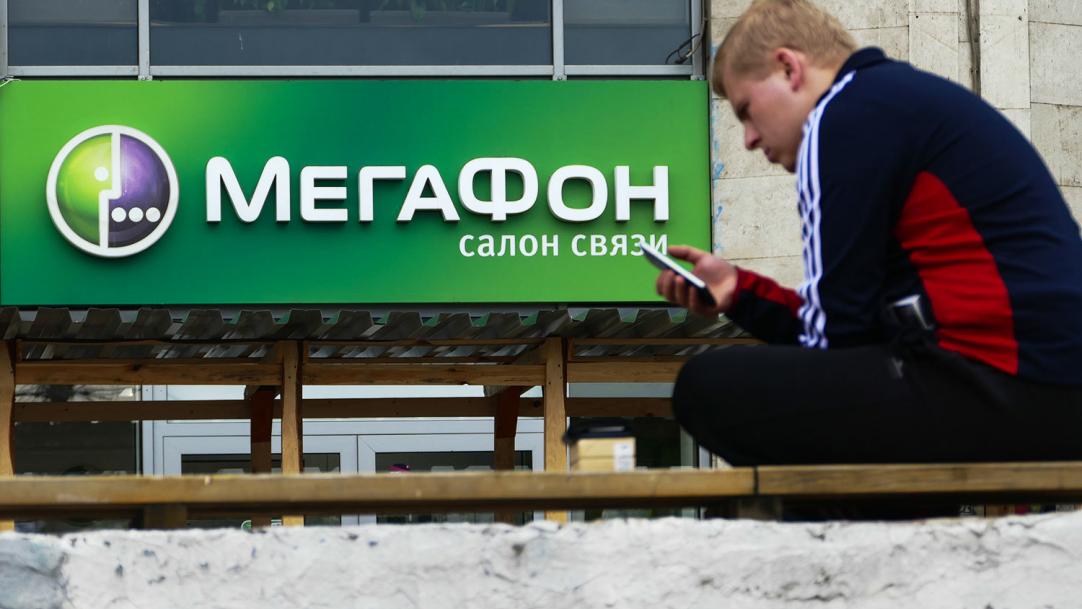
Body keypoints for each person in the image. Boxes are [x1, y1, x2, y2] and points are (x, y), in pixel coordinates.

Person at [659, 0, 1082, 467]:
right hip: (1047, 388)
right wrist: (739, 292)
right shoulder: (897, 101)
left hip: (1000, 382)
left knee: (706, 385)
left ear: (789, 68)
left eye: (746, 111)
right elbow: (854, 326)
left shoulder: (839, 117)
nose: (749, 139)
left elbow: (835, 340)